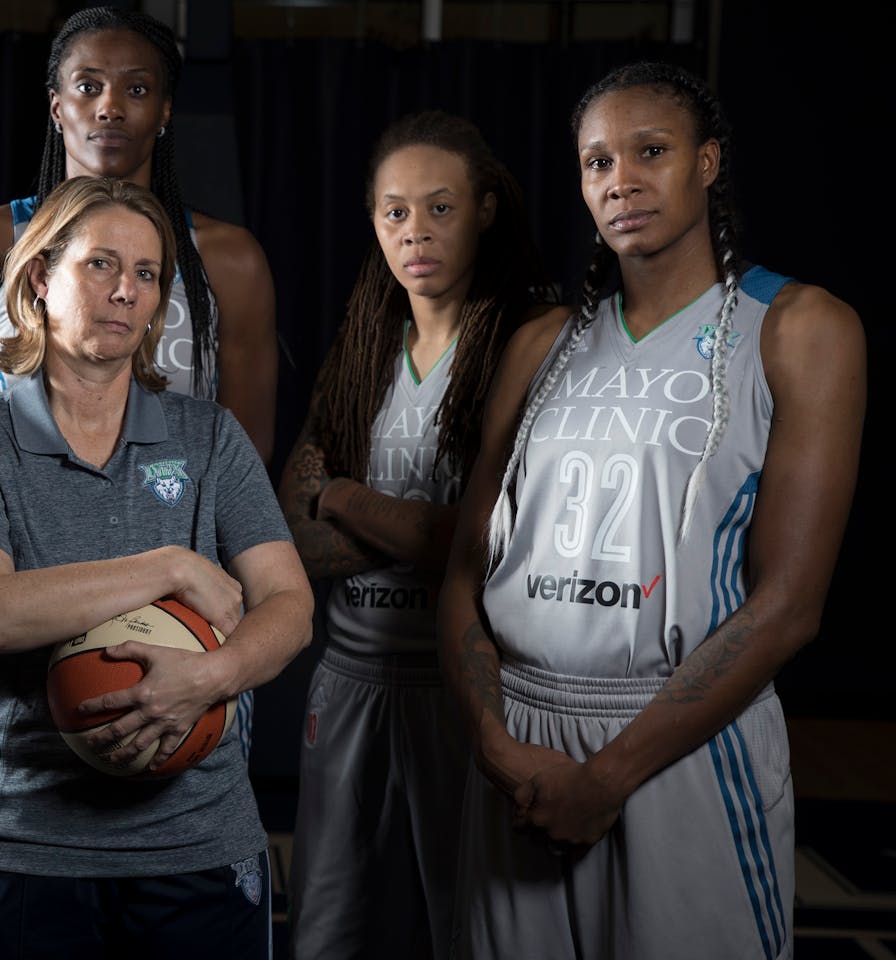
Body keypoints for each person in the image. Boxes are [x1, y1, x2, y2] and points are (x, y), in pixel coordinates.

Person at [438, 61, 865, 960]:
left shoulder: (796, 327)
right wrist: (490, 737)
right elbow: (465, 573)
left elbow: (789, 606)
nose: (620, 180)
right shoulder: (542, 344)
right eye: (596, 162)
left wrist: (609, 776)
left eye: (651, 152)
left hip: (674, 740)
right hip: (520, 738)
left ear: (708, 163)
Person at [0, 175, 312, 959]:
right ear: (39, 277)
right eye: (100, 265)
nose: (126, 292)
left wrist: (215, 674)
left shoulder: (208, 437)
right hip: (10, 837)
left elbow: (289, 606)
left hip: (196, 841)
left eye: (146, 273)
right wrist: (170, 565)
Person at [0, 6, 276, 764]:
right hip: (30, 583)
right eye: (88, 86)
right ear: (57, 106)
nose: (111, 106)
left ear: (167, 109)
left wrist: (207, 615)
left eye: (137, 88)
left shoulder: (229, 256)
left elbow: (247, 446)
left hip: (184, 605)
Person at [278, 111, 561, 960]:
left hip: (463, 682)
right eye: (395, 212)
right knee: (329, 929)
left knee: (465, 925)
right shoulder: (365, 344)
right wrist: (427, 529)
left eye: (440, 207)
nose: (416, 232)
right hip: (349, 678)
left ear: (484, 209)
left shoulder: (526, 343)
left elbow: (498, 544)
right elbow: (291, 532)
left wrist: (347, 498)